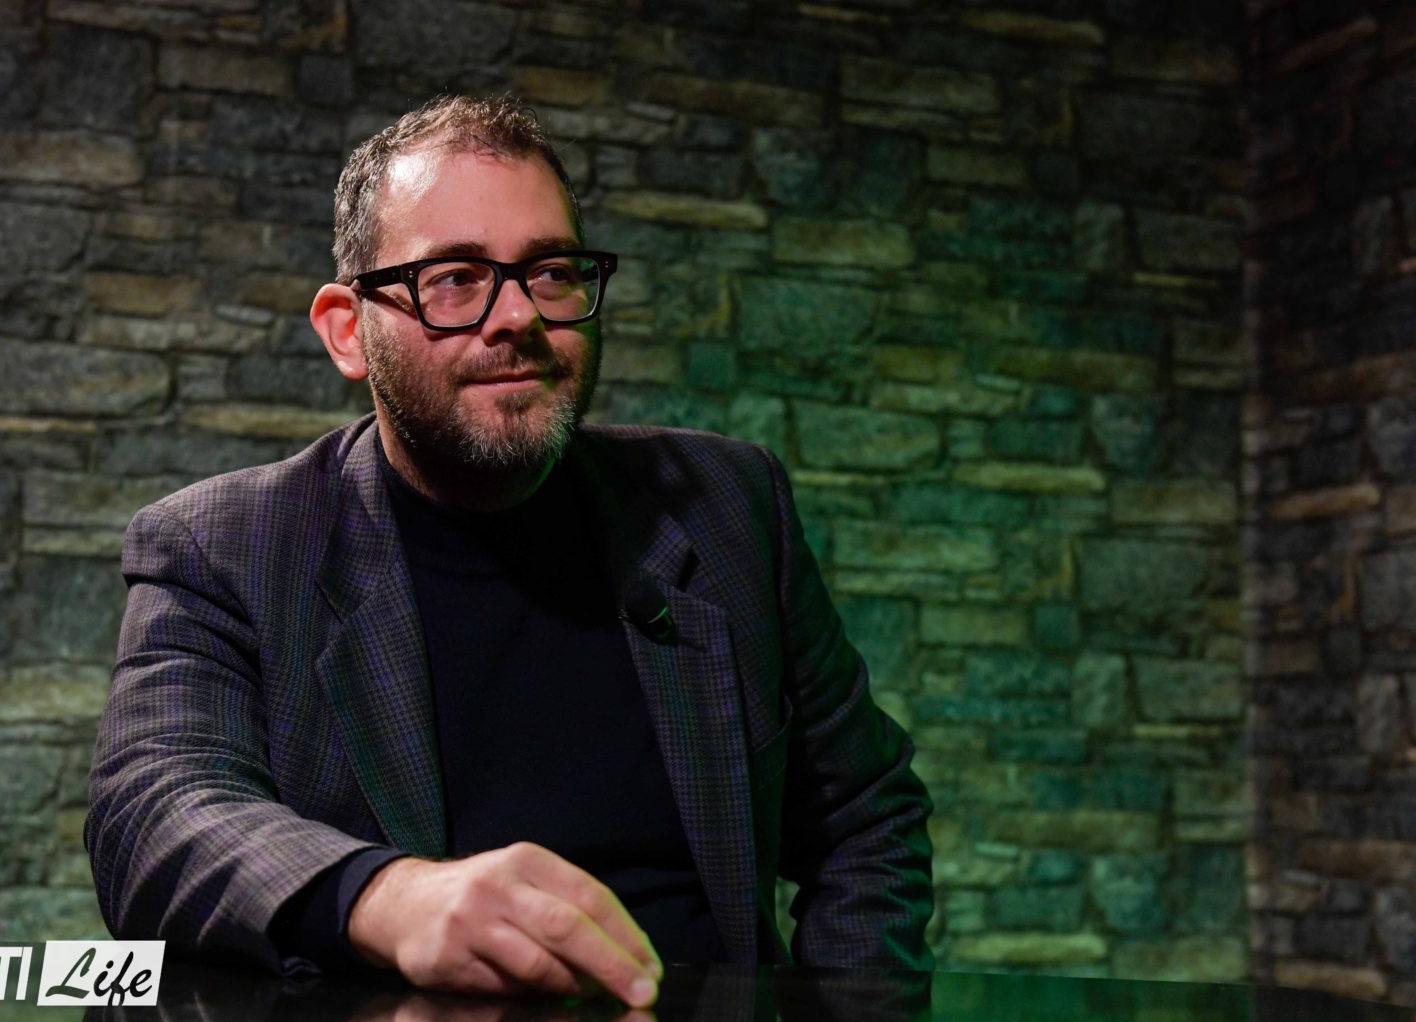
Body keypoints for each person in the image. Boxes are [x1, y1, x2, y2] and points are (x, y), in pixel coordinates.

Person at [85, 95, 933, 1010]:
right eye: (454, 278)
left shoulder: (727, 505)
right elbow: (153, 813)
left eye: (551, 271)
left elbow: (865, 816)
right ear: (347, 330)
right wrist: (389, 898)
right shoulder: (222, 546)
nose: (518, 315)